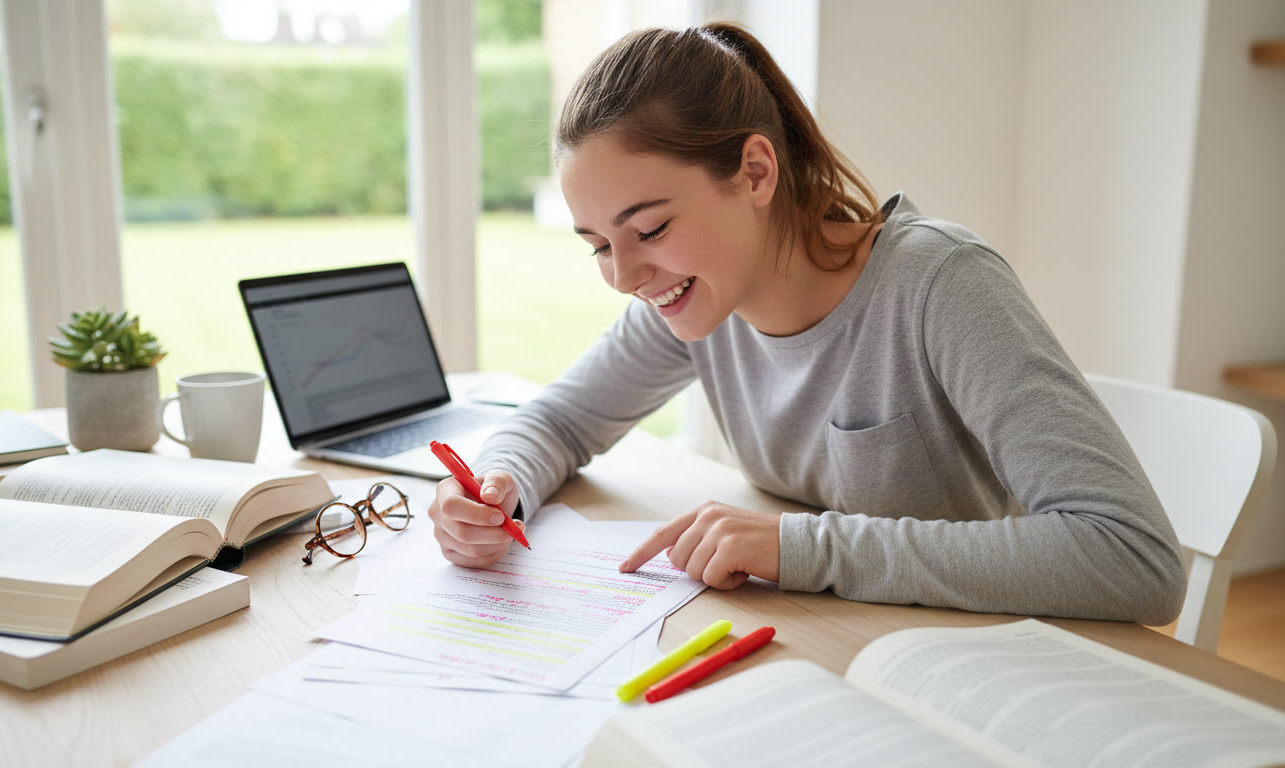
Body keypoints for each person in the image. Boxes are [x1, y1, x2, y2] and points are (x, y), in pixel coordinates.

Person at [427, 22, 1186, 624]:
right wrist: (498, 486)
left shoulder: (938, 284)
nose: (624, 277)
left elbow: (1134, 558)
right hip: (844, 642)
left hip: (991, 668)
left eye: (649, 229)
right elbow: (557, 420)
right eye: (598, 245)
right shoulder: (698, 299)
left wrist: (803, 547)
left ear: (756, 173)